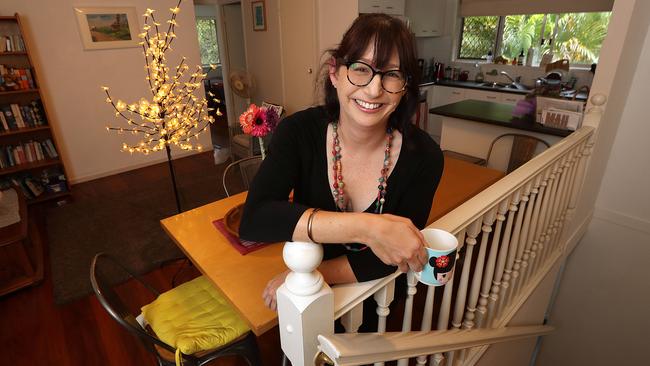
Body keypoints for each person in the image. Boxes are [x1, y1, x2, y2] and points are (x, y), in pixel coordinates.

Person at [239, 13, 444, 317]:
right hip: (310, 299)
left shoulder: (425, 156)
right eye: (361, 69)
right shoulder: (298, 132)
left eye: (392, 74)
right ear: (335, 72)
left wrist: (316, 273)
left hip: (379, 297)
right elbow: (256, 218)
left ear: (404, 87)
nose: (374, 90)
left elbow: (392, 254)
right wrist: (368, 228)